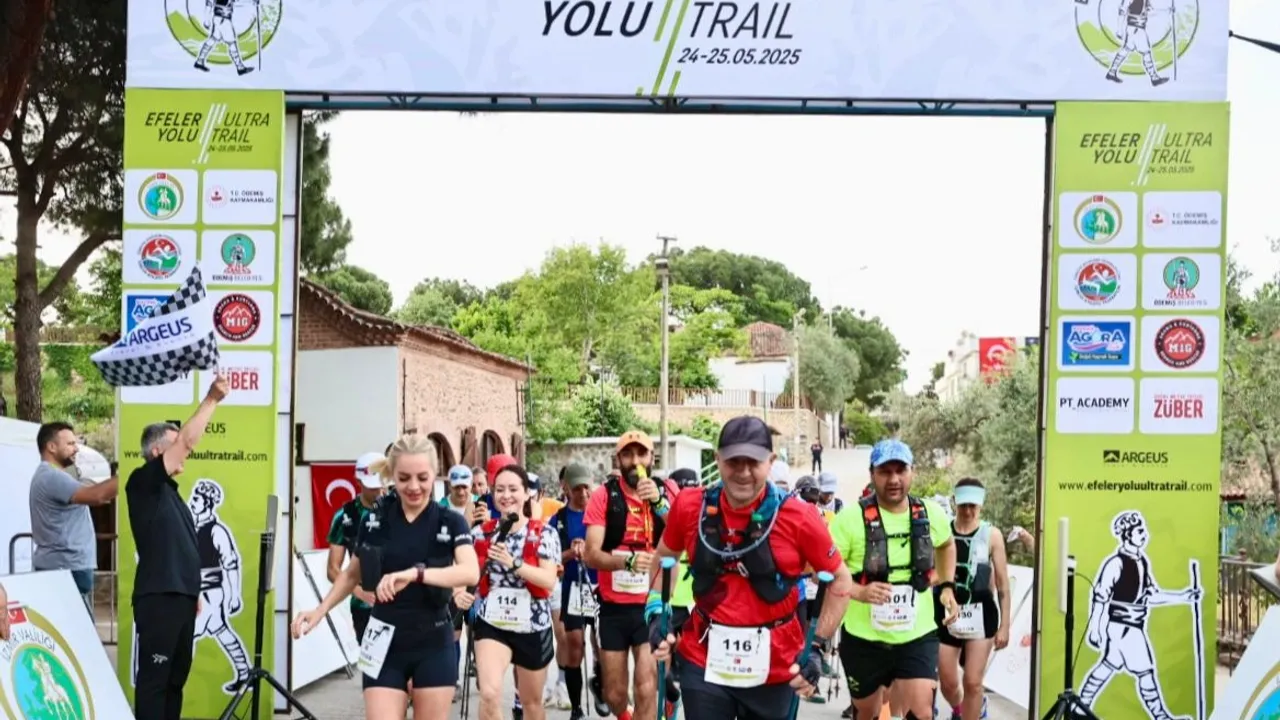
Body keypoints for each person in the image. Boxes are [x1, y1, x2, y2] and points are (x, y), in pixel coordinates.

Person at [649, 415, 854, 720]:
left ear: (770, 462)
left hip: (776, 668)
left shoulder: (799, 516)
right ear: (718, 460)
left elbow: (840, 579)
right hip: (704, 661)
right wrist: (655, 613)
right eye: (734, 461)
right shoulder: (690, 506)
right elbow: (663, 559)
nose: (743, 472)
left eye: (753, 462)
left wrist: (817, 646)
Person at [292, 435, 480, 720]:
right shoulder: (374, 520)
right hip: (383, 638)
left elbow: (469, 570)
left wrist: (416, 574)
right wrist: (320, 611)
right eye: (404, 478)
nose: (413, 486)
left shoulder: (450, 521)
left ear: (435, 475)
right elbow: (351, 573)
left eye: (422, 478)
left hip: (433, 638)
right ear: (391, 476)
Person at [830, 439, 959, 720]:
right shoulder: (849, 519)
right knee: (868, 712)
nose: (894, 479)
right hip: (863, 638)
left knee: (922, 711)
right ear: (872, 474)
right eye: (885, 472)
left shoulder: (931, 513)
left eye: (901, 470)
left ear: (912, 472)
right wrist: (859, 592)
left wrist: (947, 585)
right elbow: (825, 571)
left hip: (917, 634)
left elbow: (947, 545)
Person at [129, 376, 229, 720]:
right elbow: (187, 440)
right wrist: (212, 399)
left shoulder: (173, 496)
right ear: (158, 452)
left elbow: (181, 548)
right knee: (155, 680)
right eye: (176, 446)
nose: (187, 451)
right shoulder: (142, 483)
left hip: (182, 598)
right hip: (159, 598)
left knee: (175, 680)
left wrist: (192, 590)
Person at [453, 464, 561, 720]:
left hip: (532, 625)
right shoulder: (480, 533)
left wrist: (513, 563)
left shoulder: (544, 533)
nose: (506, 495)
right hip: (492, 623)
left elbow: (548, 580)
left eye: (513, 489)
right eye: (500, 489)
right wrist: (459, 593)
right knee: (489, 694)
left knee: (531, 703)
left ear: (526, 493)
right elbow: (461, 570)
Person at [583, 430, 678, 720]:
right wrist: (626, 562)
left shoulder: (668, 490)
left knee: (646, 687)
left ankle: (662, 700)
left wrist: (659, 503)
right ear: (618, 460)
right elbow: (591, 554)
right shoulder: (603, 496)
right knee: (614, 694)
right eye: (627, 454)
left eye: (641, 454)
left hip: (652, 606)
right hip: (613, 608)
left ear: (652, 458)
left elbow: (684, 534)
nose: (635, 461)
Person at [936, 479, 1010, 720]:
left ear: (981, 505)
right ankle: (962, 709)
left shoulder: (992, 535)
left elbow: (1003, 584)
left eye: (973, 506)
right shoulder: (944, 530)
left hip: (980, 611)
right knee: (948, 681)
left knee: (973, 682)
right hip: (948, 609)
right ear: (955, 502)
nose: (968, 511)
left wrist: (1005, 626)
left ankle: (973, 711)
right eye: (963, 505)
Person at [29, 421, 118, 614]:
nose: (76, 448)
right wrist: (129, 475)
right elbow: (97, 496)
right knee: (78, 630)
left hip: (65, 568)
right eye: (70, 444)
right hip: (65, 568)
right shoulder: (51, 477)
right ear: (51, 447)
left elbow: (96, 494)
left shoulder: (52, 476)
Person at [550, 464, 607, 720]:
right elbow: (550, 559)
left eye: (587, 487)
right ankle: (576, 708)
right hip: (572, 589)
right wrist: (570, 553)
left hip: (599, 588)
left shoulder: (602, 515)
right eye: (577, 488)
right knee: (574, 645)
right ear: (566, 489)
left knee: (602, 645)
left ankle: (600, 683)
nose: (583, 493)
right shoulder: (558, 520)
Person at [326, 451, 386, 643]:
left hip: (400, 603)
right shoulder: (345, 516)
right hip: (364, 606)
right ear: (358, 481)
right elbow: (332, 569)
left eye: (380, 485)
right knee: (372, 659)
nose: (378, 492)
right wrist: (358, 592)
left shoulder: (398, 509)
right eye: (372, 487)